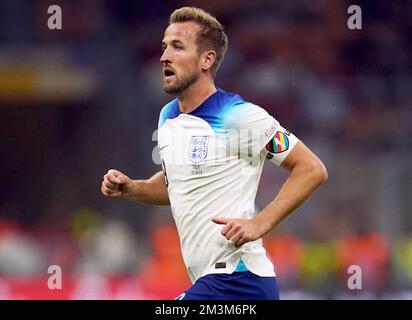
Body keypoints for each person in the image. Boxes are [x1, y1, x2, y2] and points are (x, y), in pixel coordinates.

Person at [101, 6, 328, 300]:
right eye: (164, 46)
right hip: (210, 281)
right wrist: (134, 188)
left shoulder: (239, 116)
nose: (164, 56)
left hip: (238, 280)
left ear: (206, 59)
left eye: (178, 47)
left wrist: (261, 222)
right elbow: (179, 186)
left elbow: (311, 168)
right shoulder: (168, 117)